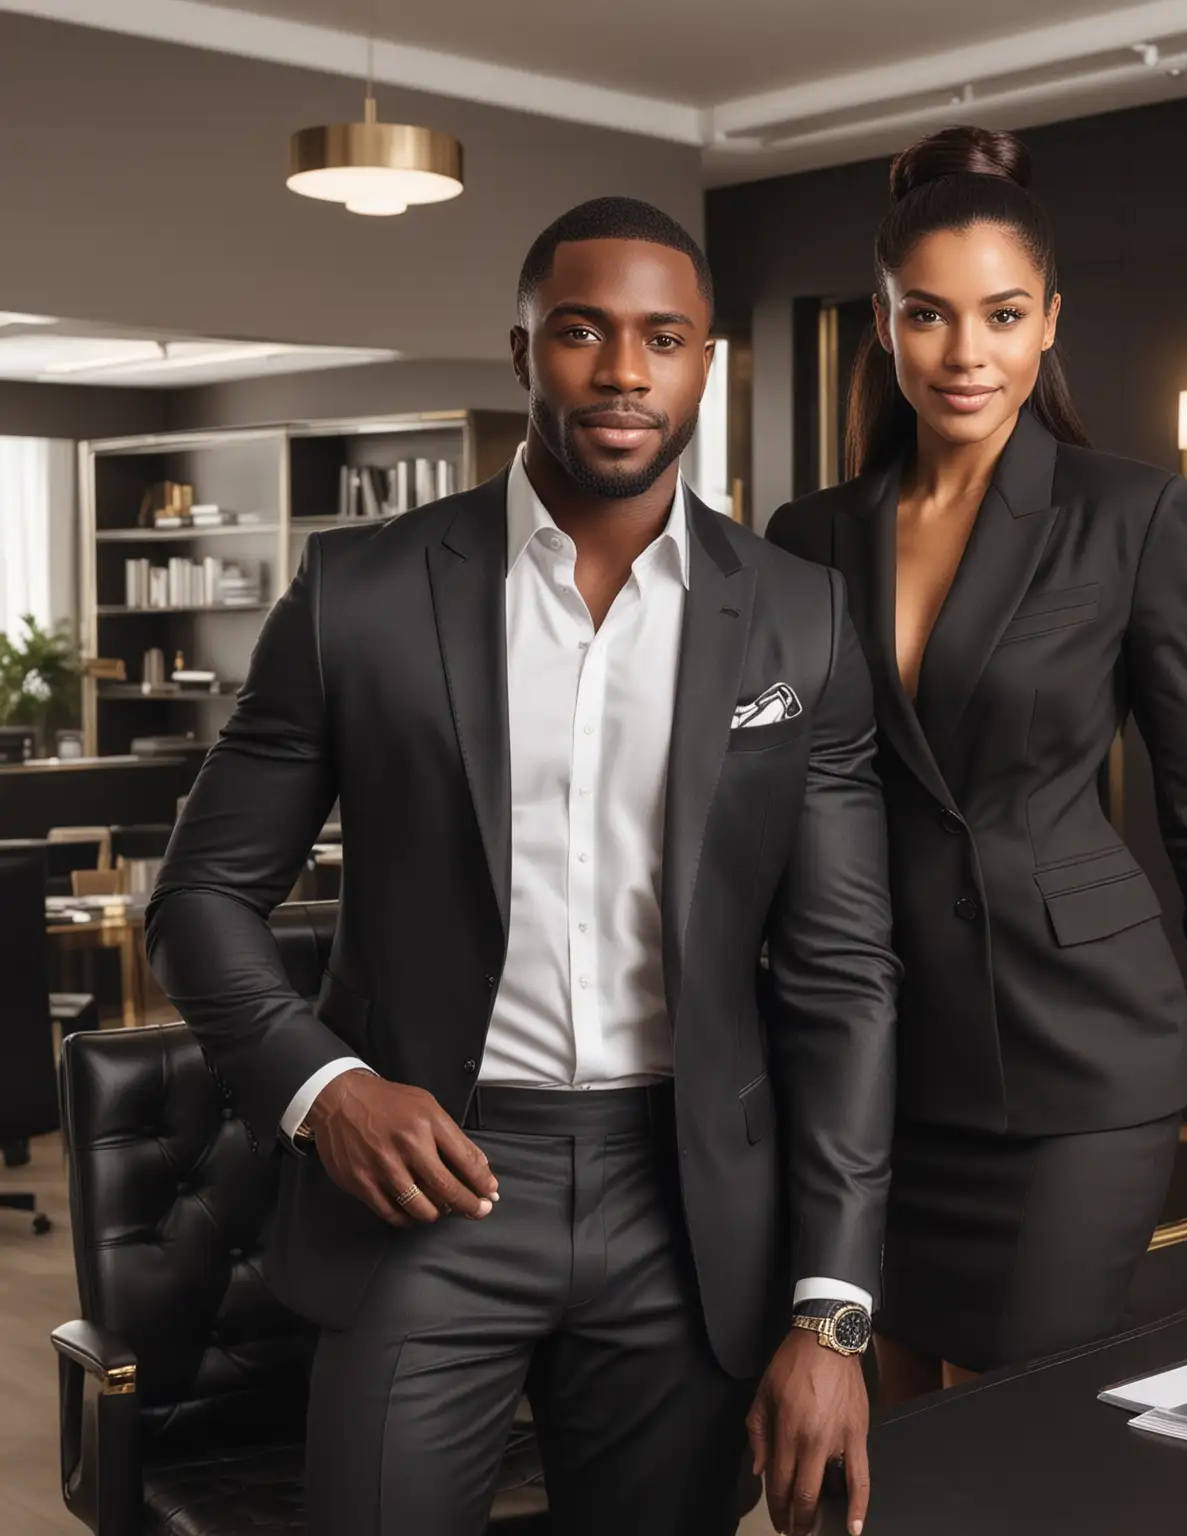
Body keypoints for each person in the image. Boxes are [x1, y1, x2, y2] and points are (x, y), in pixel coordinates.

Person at [147, 197, 898, 1536]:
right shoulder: (363, 593)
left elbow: (842, 977)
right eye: (581, 332)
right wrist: (324, 1088)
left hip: (687, 1209)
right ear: (522, 353)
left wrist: (834, 1314)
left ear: (705, 364)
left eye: (662, 338)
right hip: (427, 1188)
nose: (623, 371)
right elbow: (202, 897)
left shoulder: (799, 615)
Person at [766, 127, 1187, 1401]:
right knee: (885, 1444)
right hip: (872, 1069)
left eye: (1003, 315)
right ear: (883, 322)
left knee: (1015, 1439)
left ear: (1049, 322)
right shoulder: (807, 538)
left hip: (1076, 1060)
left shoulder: (1122, 513)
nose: (966, 354)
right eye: (929, 316)